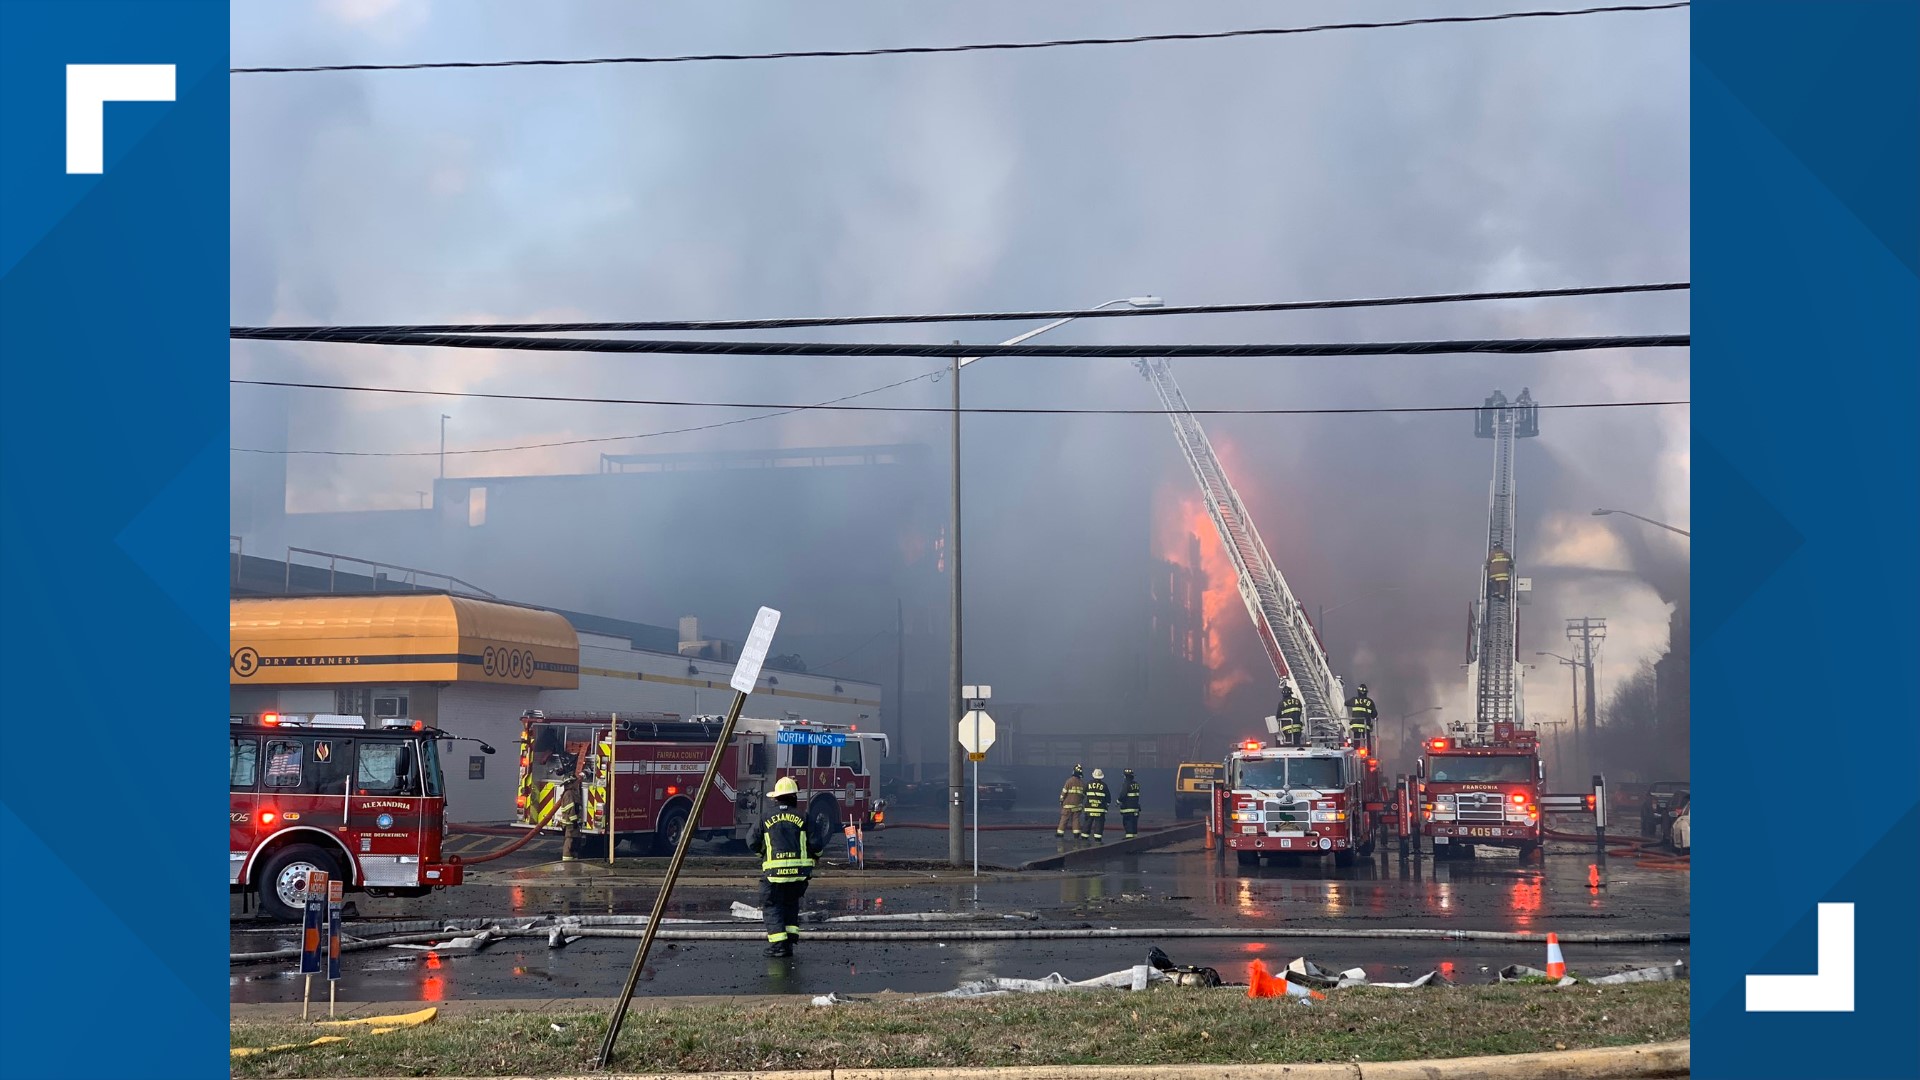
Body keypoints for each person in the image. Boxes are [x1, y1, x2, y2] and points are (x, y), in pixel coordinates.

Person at [746, 776, 830, 957]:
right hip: (798, 874)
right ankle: (790, 941)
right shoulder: (804, 817)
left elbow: (752, 841)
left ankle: (778, 946)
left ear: (776, 798)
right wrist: (815, 857)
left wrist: (763, 853)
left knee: (772, 906)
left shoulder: (765, 817)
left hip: (773, 874)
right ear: (794, 797)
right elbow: (816, 844)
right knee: (791, 904)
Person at [1057, 764, 1086, 838]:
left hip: (1067, 805)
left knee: (1064, 819)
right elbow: (1083, 795)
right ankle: (1076, 834)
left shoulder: (1069, 781)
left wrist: (1061, 800)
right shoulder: (1082, 783)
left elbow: (1064, 792)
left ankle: (1060, 834)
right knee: (1076, 820)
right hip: (1077, 806)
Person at [1347, 683, 1378, 751]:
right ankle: (1368, 753)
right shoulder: (1370, 702)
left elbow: (1346, 703)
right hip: (1365, 726)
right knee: (1367, 742)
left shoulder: (1354, 700)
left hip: (1356, 726)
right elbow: (1374, 715)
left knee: (1356, 741)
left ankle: (1355, 752)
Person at [1083, 768, 1111, 842]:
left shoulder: (1088, 784)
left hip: (1089, 808)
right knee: (1099, 824)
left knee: (1087, 823)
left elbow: (1083, 793)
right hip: (1100, 809)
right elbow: (1108, 798)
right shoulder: (1104, 786)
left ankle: (1084, 837)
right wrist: (1107, 805)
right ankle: (1097, 838)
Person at [1119, 768, 1143, 839]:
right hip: (1135, 807)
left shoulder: (1126, 784)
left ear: (1125, 776)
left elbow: (1123, 795)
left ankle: (1129, 838)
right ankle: (1134, 837)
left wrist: (1118, 801)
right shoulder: (1136, 784)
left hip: (1127, 808)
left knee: (1127, 822)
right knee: (1134, 823)